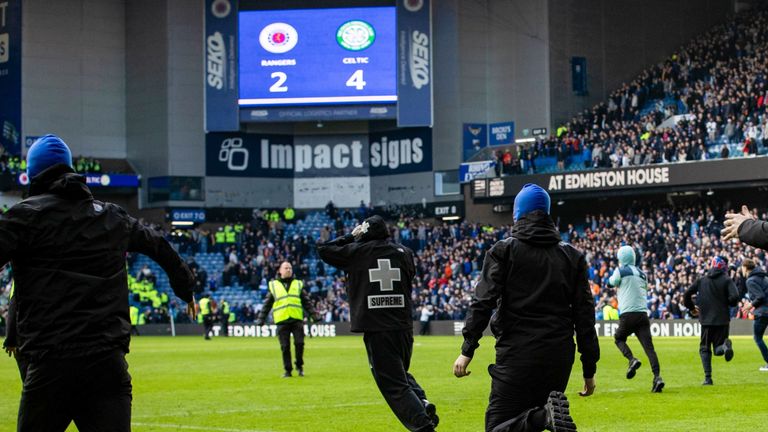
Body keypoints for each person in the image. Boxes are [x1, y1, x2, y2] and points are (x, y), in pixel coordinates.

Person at [0, 134, 196, 432]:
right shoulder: (111, 216)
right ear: (69, 169)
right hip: (106, 364)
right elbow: (160, 246)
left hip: (51, 365)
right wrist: (186, 289)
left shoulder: (23, 218)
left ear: (34, 172)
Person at [452, 183, 599, 432]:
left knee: (497, 427)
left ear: (518, 214)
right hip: (559, 358)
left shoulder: (504, 251)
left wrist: (467, 349)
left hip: (517, 356)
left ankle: (544, 418)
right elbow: (584, 315)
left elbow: (483, 302)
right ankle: (544, 416)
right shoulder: (573, 257)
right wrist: (589, 369)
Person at [317, 215, 439, 432]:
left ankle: (423, 425)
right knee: (398, 373)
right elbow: (410, 275)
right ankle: (422, 402)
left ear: (364, 233)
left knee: (392, 384)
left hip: (377, 326)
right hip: (403, 326)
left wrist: (350, 237)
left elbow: (324, 249)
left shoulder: (358, 252)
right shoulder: (405, 253)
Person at [608, 246, 664, 392]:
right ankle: (657, 377)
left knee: (618, 338)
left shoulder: (620, 271)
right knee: (649, 348)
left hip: (627, 314)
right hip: (642, 315)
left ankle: (632, 359)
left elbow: (612, 282)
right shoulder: (642, 274)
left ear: (621, 258)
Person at [255, 261, 320, 378]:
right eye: (286, 268)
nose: (288, 270)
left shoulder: (298, 284)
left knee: (300, 343)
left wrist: (314, 315)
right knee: (285, 347)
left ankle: (299, 366)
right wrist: (261, 319)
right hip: (282, 320)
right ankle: (288, 370)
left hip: (296, 319)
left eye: (290, 268)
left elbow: (307, 302)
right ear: (280, 271)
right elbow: (267, 304)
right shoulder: (274, 285)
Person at [683, 256, 740, 385]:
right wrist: (729, 302)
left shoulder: (701, 280)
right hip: (723, 320)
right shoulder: (727, 280)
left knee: (704, 348)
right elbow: (735, 297)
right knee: (718, 349)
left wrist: (691, 308)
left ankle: (708, 378)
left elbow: (686, 294)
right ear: (723, 267)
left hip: (706, 321)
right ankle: (725, 346)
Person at [740, 258, 768, 371]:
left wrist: (750, 305)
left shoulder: (750, 280)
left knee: (757, 338)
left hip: (763, 312)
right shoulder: (764, 277)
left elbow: (760, 297)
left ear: (745, 268)